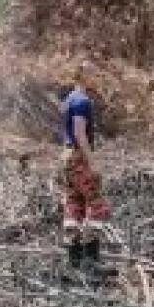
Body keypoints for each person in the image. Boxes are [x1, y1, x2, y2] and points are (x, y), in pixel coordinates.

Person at [59, 66, 110, 268]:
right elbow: (80, 133)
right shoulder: (81, 101)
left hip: (67, 155)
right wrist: (92, 161)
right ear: (83, 76)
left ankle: (74, 259)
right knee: (97, 204)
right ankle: (91, 259)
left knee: (74, 204)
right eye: (94, 74)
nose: (97, 78)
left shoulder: (70, 98)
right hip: (78, 157)